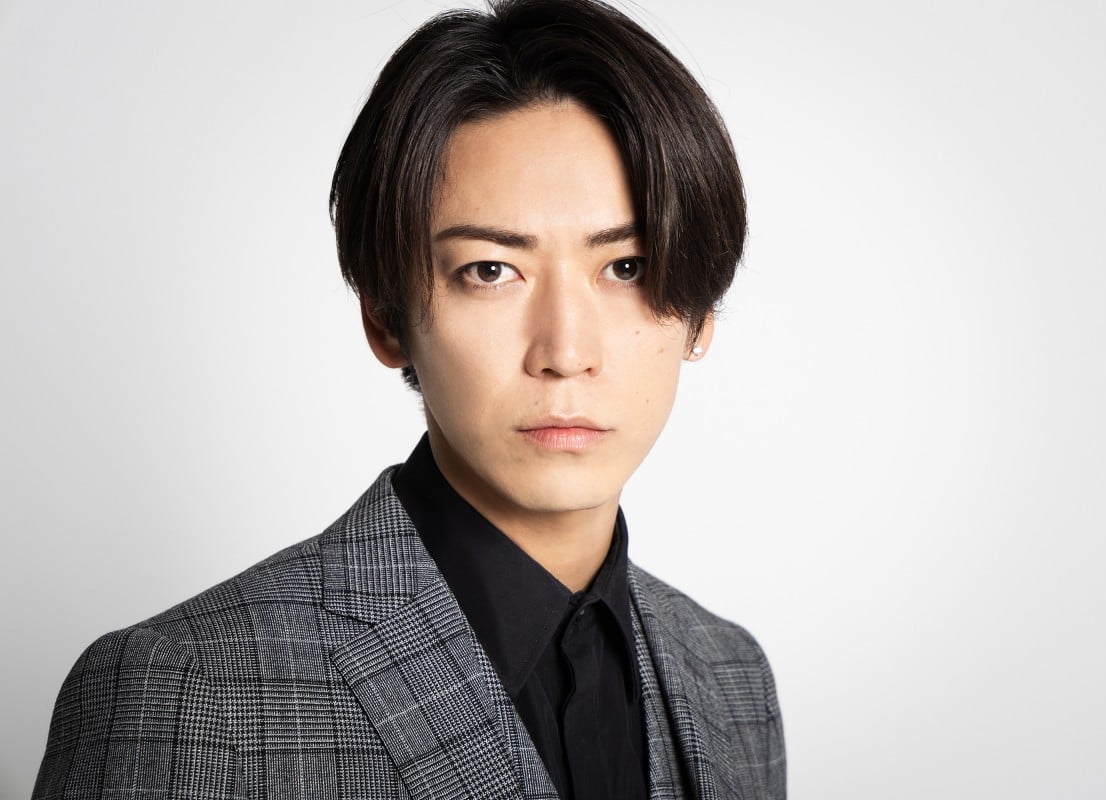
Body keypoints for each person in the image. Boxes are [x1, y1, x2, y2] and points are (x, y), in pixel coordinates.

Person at [32, 0, 784, 797]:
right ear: (387, 318)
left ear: (700, 313)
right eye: (491, 271)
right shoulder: (185, 691)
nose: (566, 353)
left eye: (627, 268)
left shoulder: (731, 678)